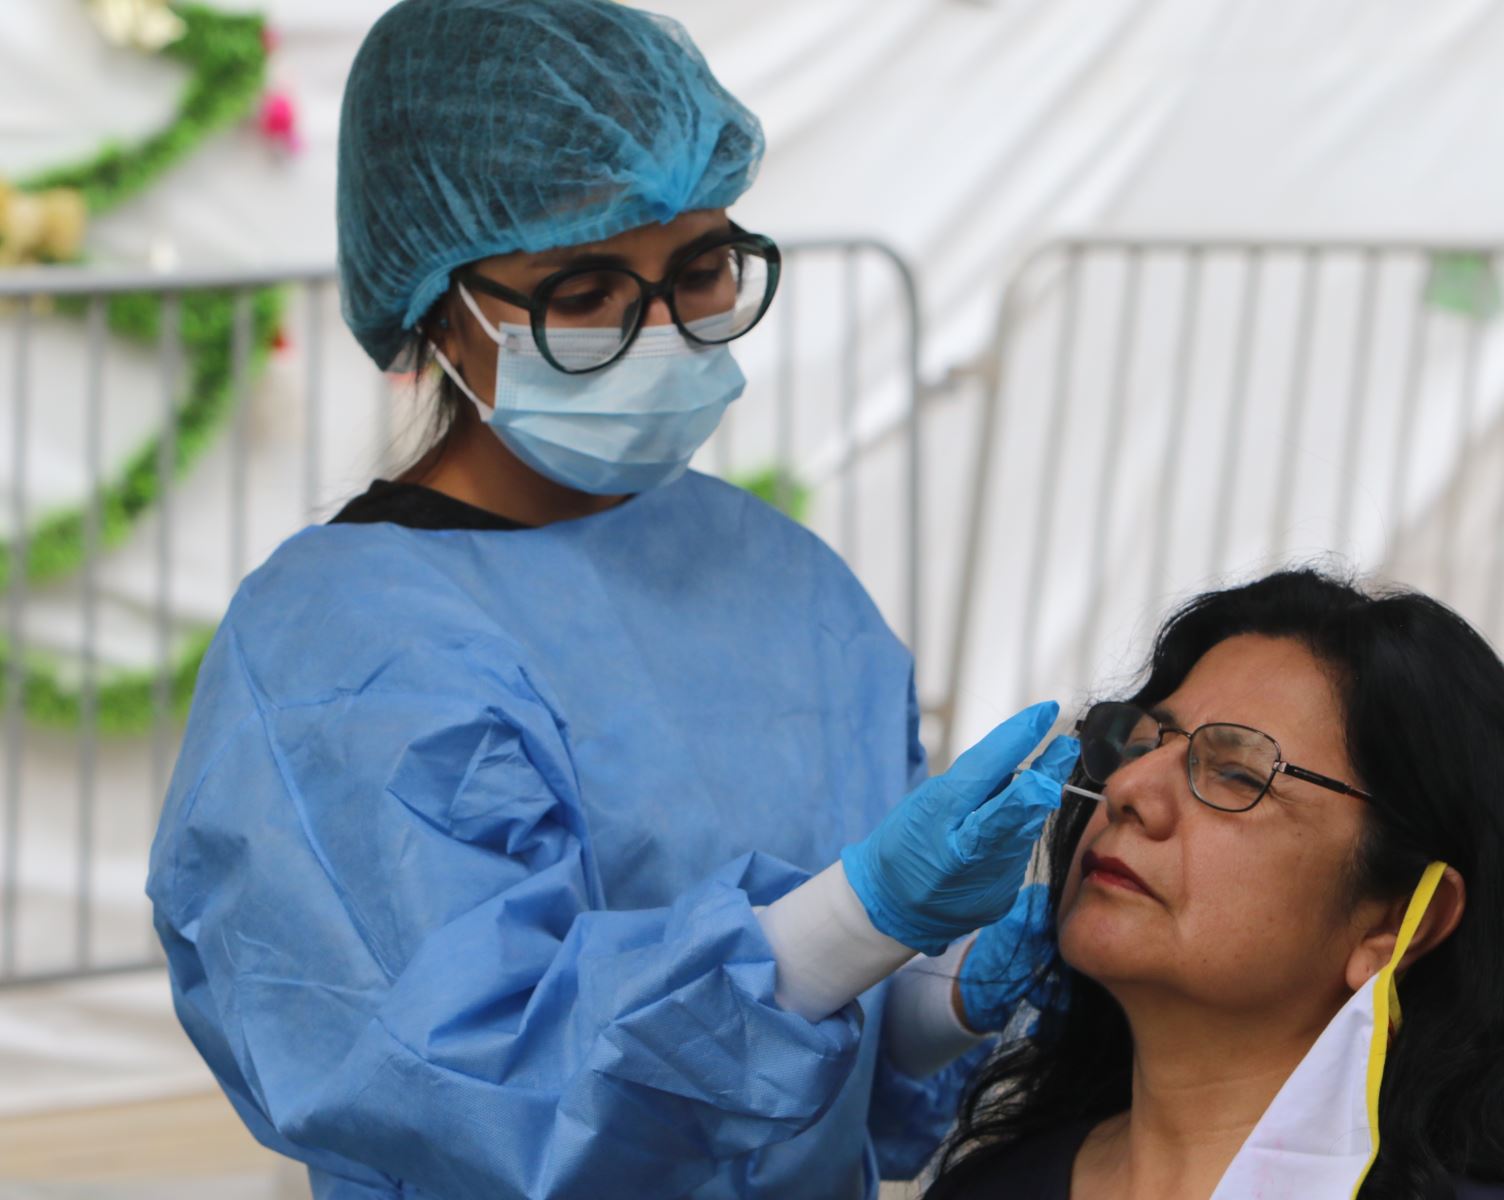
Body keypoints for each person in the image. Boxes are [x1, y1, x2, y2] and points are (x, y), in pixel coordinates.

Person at [144, 2, 1068, 1197]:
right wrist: (860, 909)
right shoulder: (339, 657)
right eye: (583, 291)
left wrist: (944, 994)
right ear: (439, 308)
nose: (665, 332)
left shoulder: (788, 585)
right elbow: (489, 1093)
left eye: (700, 269)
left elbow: (824, 1045)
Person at [925, 570, 1504, 1200]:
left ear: (1402, 918)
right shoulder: (994, 1187)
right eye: (1142, 741)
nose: (1130, 789)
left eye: (1238, 772)